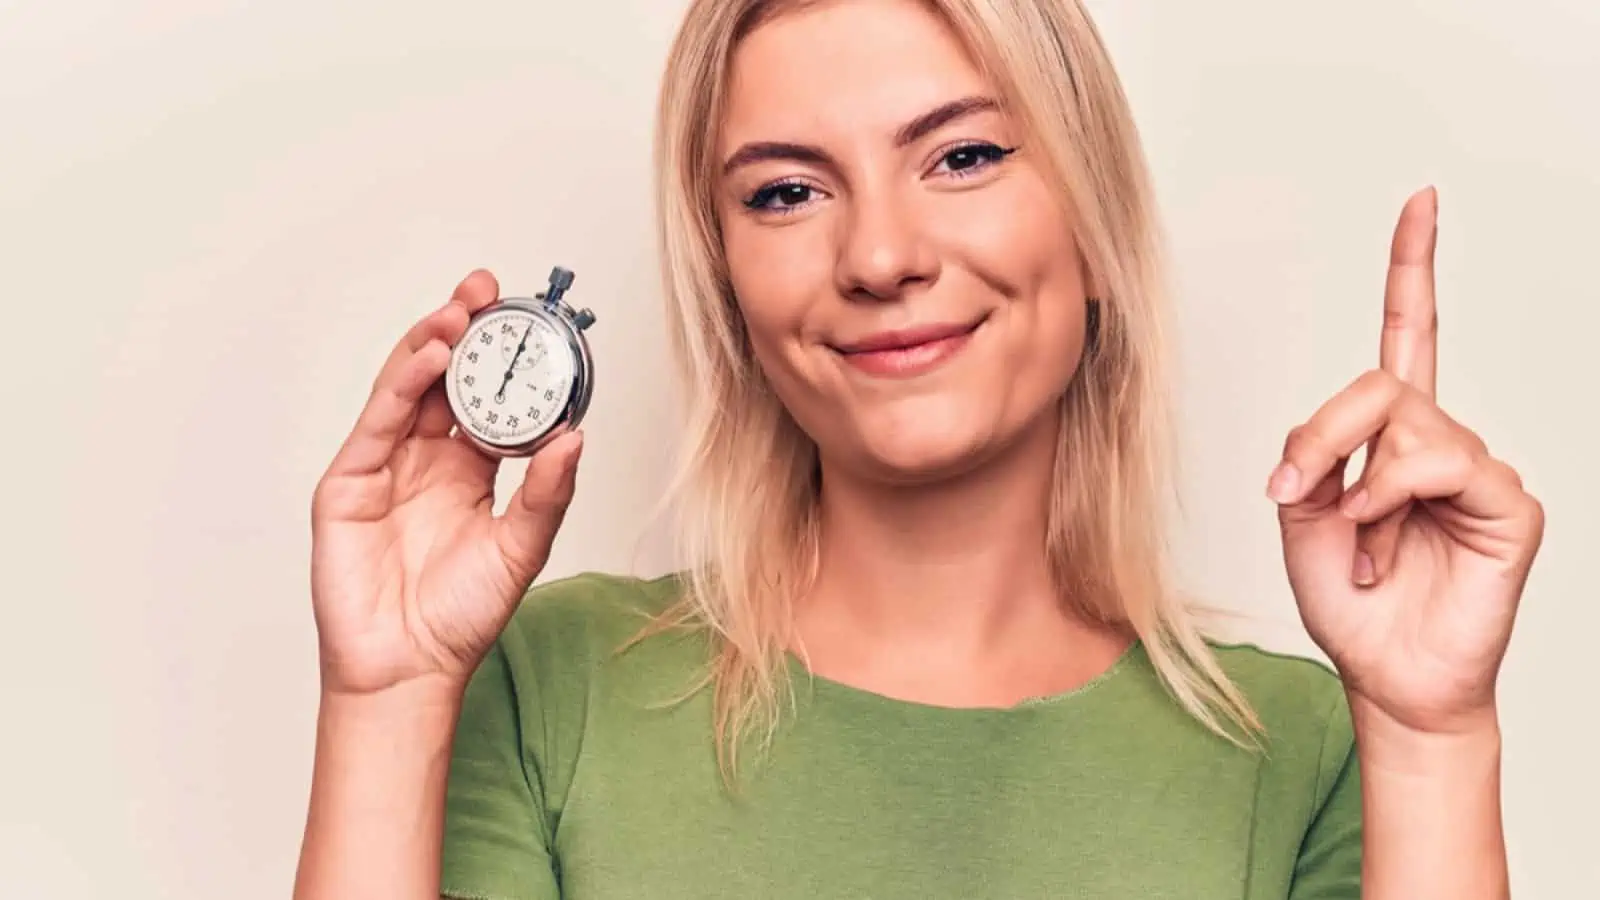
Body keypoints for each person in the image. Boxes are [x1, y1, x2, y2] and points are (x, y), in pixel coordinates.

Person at [292, 0, 1545, 897]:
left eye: (964, 155)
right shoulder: (541, 686)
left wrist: (1435, 741)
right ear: (726, 279)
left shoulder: (1308, 750)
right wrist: (388, 700)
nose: (880, 257)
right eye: (785, 191)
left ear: (1093, 219)